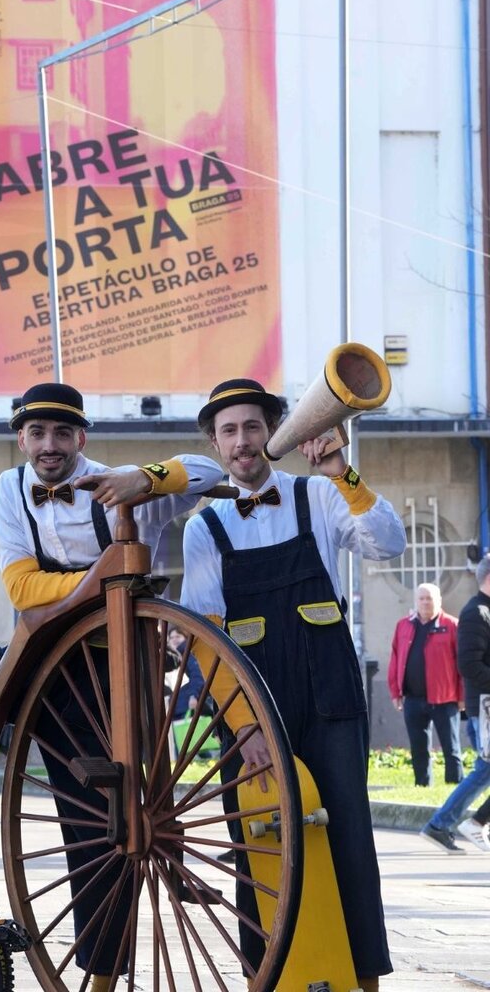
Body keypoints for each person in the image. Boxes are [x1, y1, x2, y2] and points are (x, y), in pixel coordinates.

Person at [0, 381, 227, 992]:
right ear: (21, 438)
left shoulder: (117, 482)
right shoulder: (10, 489)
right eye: (37, 433)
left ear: (82, 438)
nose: (49, 446)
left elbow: (205, 471)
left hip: (127, 666)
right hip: (62, 671)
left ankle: (105, 968)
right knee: (90, 828)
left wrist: (145, 480)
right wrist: (94, 586)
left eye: (62, 433)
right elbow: (20, 589)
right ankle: (100, 973)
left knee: (133, 811)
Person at [180, 377, 407, 992]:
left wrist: (343, 471)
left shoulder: (320, 494)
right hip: (253, 708)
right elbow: (202, 635)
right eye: (228, 431)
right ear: (215, 442)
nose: (242, 441)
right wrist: (243, 724)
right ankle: (266, 977)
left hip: (330, 700)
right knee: (256, 847)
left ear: (274, 431)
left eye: (253, 426)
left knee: (350, 844)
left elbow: (388, 543)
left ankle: (363, 980)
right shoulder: (205, 528)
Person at [420, 555, 490, 854]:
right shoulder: (476, 612)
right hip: (485, 706)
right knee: (484, 770)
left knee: (485, 769)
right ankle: (445, 824)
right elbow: (469, 665)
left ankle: (446, 824)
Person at [388, 583, 463, 786]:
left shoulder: (451, 625)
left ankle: (454, 785)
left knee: (452, 749)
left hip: (444, 698)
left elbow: (462, 663)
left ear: (439, 601)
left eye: (429, 598)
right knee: (419, 748)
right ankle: (422, 784)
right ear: (415, 601)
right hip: (413, 698)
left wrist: (462, 696)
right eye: (421, 598)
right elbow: (395, 659)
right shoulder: (403, 625)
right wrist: (395, 692)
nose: (425, 602)